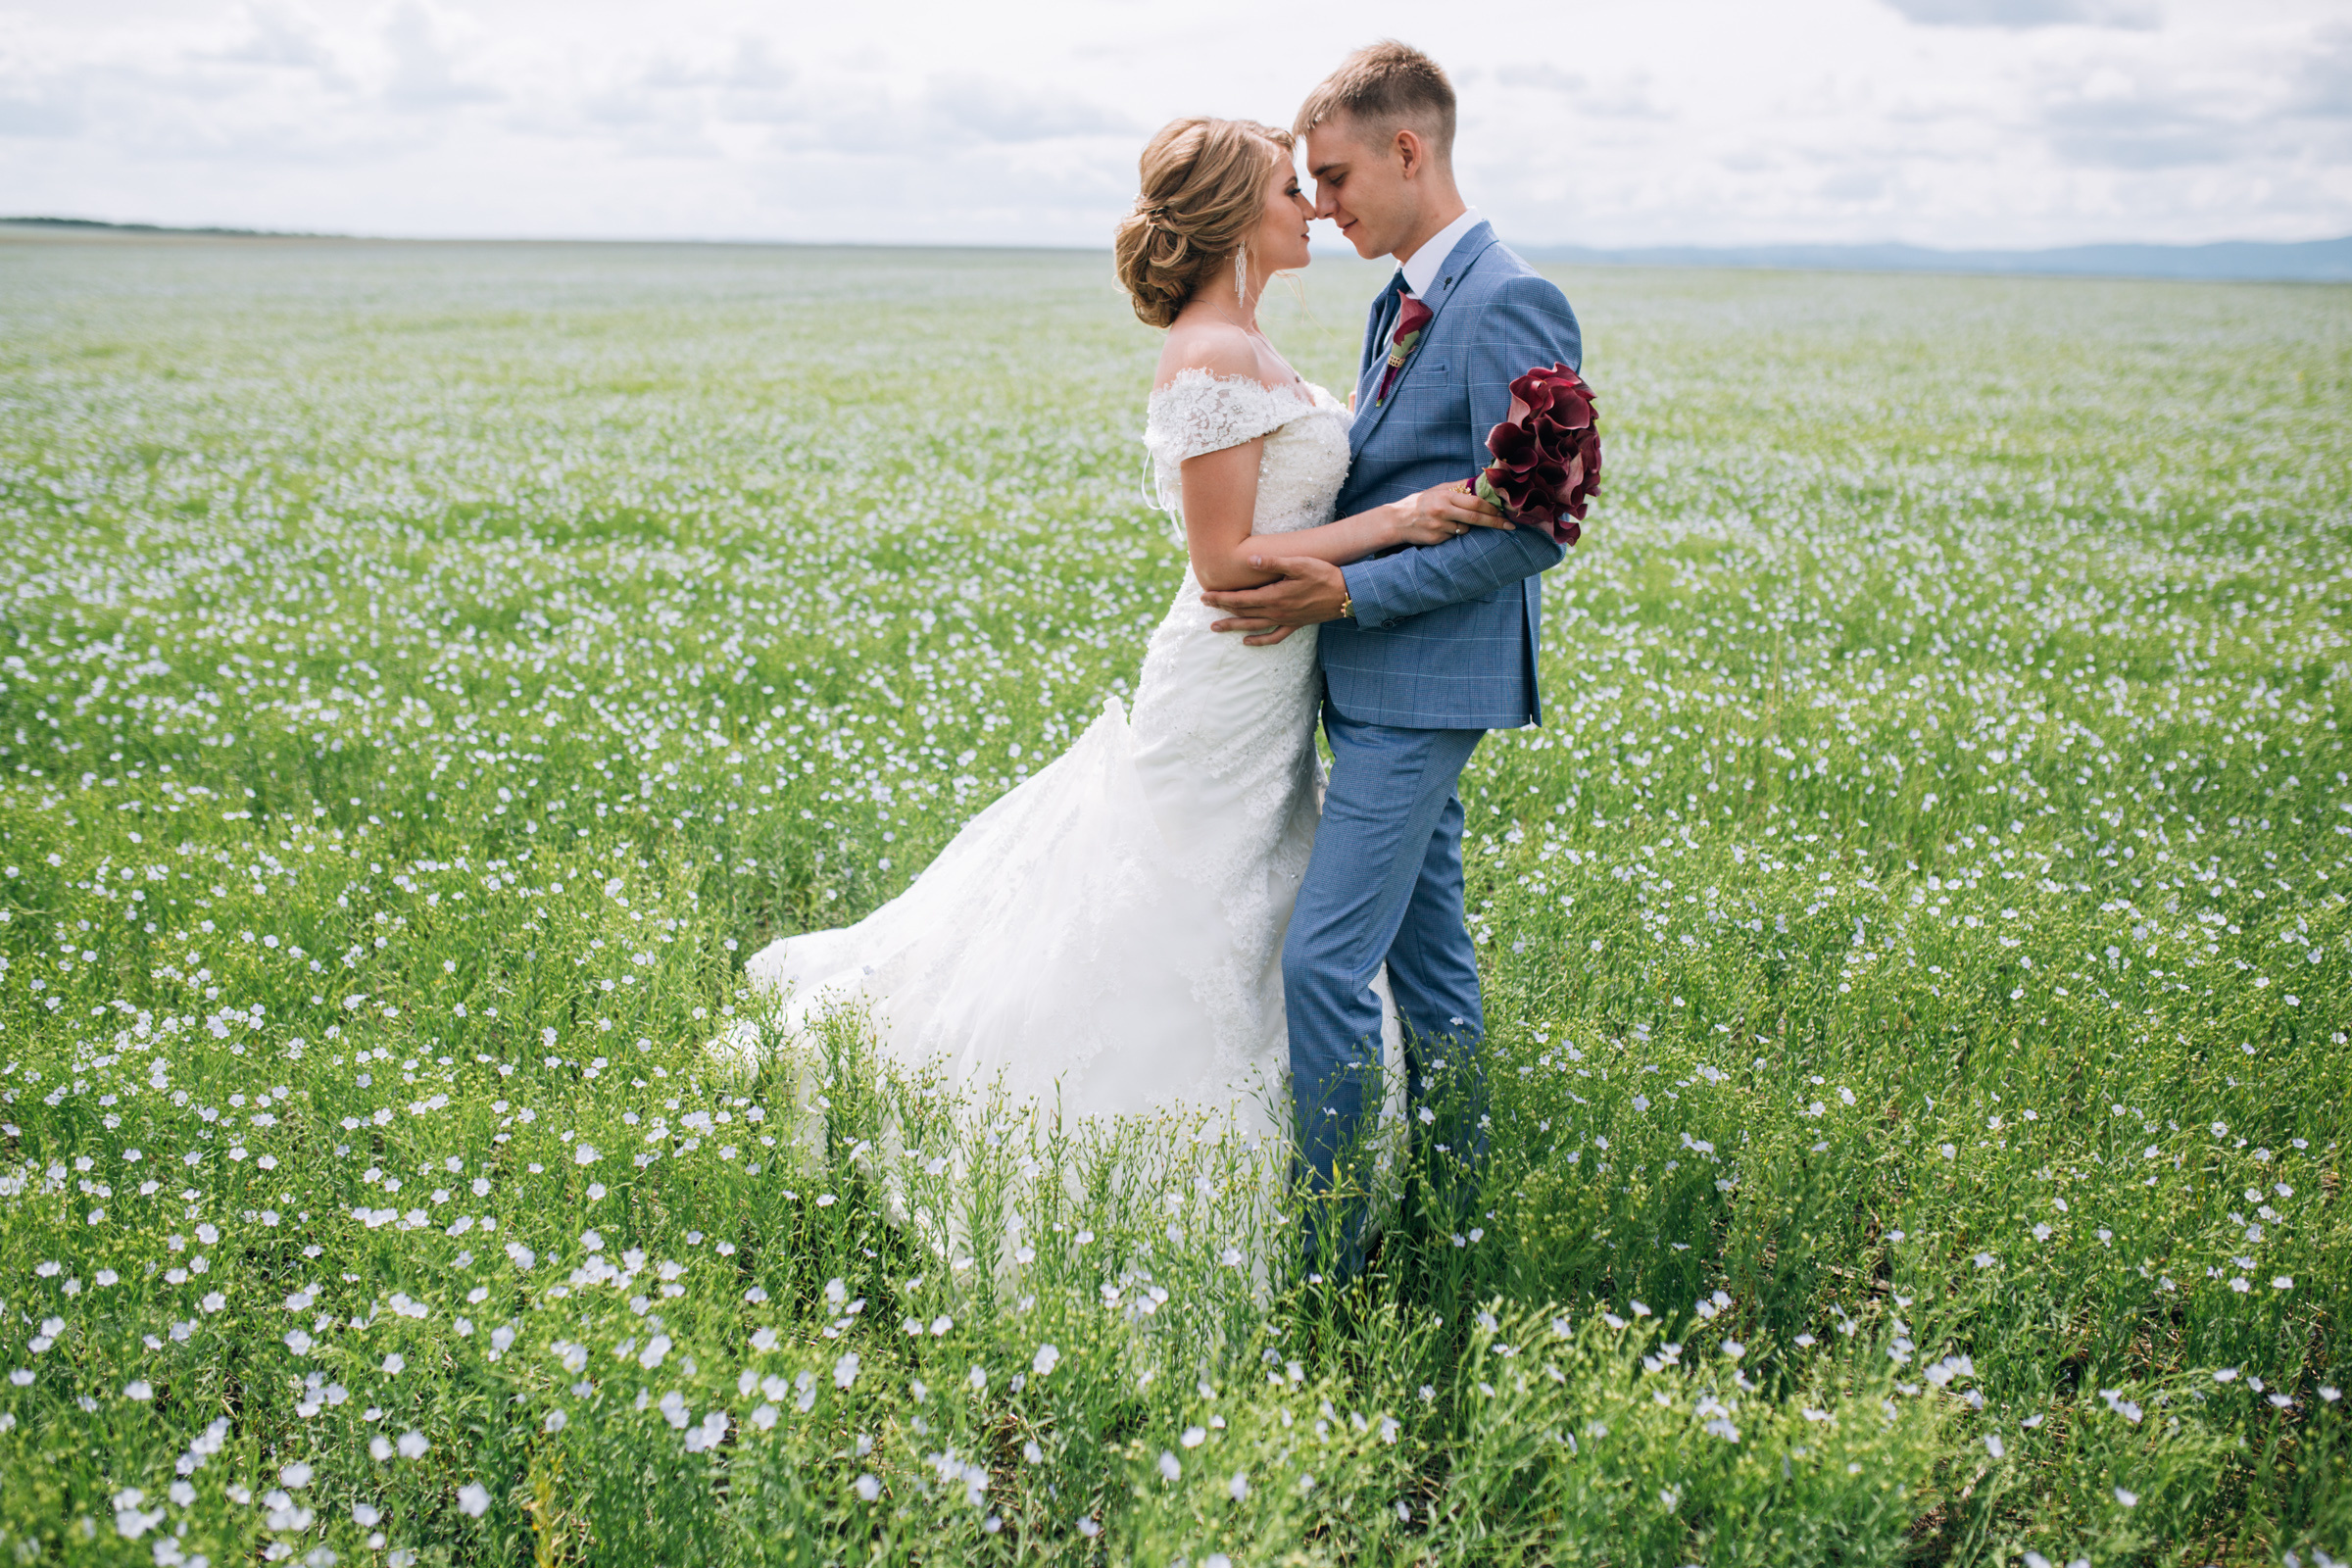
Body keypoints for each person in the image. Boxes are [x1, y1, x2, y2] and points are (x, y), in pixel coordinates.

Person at [726, 114, 1508, 1153]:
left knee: (1244, 896)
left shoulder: (1248, 342)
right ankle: (1099, 1130)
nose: (1312, 206)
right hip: (1228, 665)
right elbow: (1224, 559)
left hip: (1272, 674)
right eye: (1290, 191)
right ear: (1236, 215)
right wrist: (1400, 522)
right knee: (1173, 897)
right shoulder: (1211, 354)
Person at [1199, 41, 1583, 1274]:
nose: (1319, 203)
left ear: (1407, 150)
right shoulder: (1394, 300)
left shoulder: (1509, 297)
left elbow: (1537, 526)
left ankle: (1331, 1254)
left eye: (1335, 174)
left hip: (1424, 681)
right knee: (1433, 970)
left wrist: (1349, 592)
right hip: (1372, 679)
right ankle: (1454, 1211)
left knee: (1321, 961)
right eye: (1304, 183)